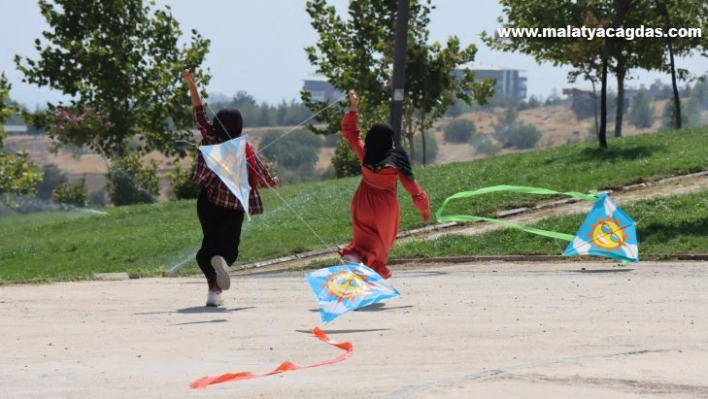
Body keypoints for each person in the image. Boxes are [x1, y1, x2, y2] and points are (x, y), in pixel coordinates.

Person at [182, 69, 278, 307]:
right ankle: (222, 263)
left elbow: (199, 112)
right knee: (229, 249)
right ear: (239, 127)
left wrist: (191, 83)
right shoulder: (244, 149)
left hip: (208, 203)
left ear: (216, 124)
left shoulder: (210, 137)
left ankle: (213, 291)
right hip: (234, 206)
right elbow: (260, 173)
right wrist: (271, 181)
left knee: (208, 246)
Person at [338, 90, 431, 279]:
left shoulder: (365, 153)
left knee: (362, 242)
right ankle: (373, 283)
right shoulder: (395, 161)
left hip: (362, 201)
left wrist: (354, 107)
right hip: (384, 207)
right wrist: (424, 209)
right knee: (380, 245)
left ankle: (354, 259)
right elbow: (412, 188)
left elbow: (350, 132)